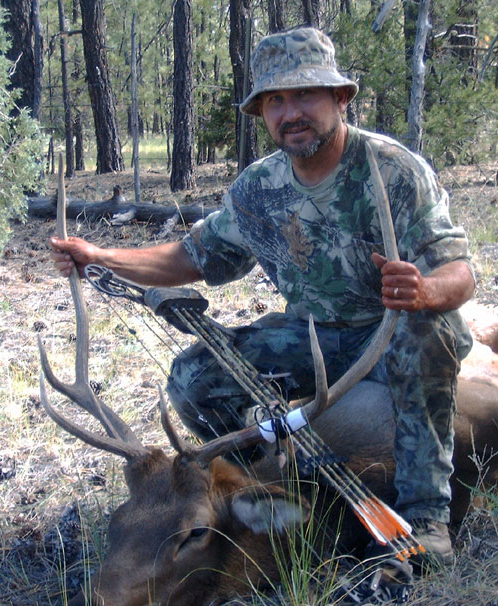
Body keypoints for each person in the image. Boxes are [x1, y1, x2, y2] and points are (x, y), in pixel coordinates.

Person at [51, 27, 475, 565]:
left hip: (390, 331)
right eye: (275, 100)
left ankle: (424, 520)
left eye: (304, 95)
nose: (290, 112)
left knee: (429, 327)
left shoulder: (392, 170)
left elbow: (461, 273)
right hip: (314, 335)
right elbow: (193, 257)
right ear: (262, 114)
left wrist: (424, 288)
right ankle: (260, 492)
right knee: (194, 377)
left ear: (340, 98)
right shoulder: (259, 187)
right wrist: (100, 256)